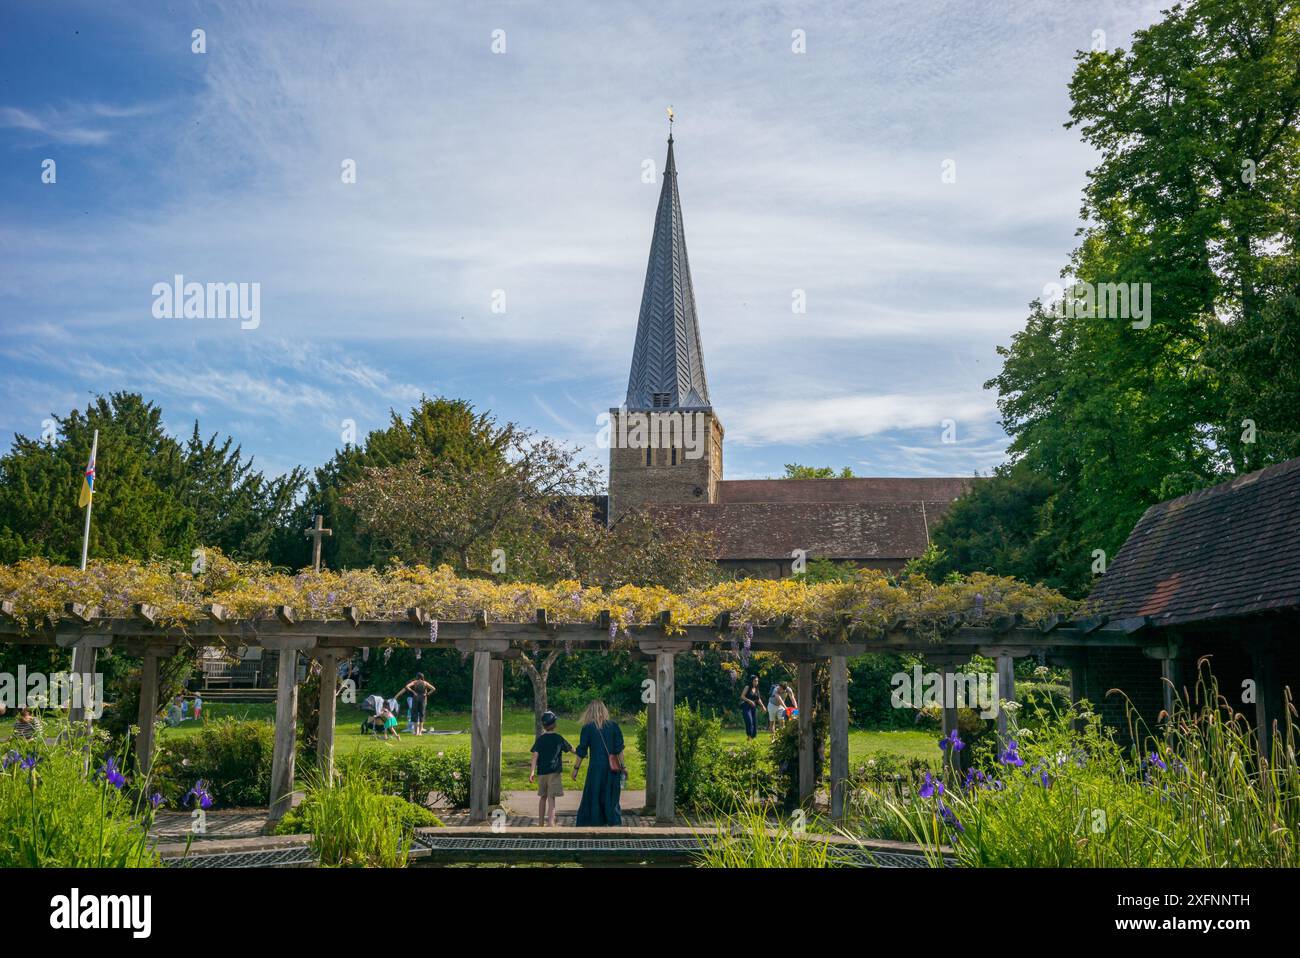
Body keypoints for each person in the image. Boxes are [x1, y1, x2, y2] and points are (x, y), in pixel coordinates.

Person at [573, 700, 625, 826]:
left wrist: (576, 768)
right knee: (611, 795)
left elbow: (582, 750)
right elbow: (619, 749)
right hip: (612, 768)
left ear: (590, 712)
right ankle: (613, 822)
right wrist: (623, 766)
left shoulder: (588, 728)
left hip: (595, 767)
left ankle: (595, 821)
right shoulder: (614, 726)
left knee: (594, 794)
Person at [528, 710, 573, 827]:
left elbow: (534, 757)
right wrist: (579, 752)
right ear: (554, 724)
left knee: (543, 797)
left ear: (544, 725)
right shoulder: (558, 738)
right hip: (554, 772)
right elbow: (571, 748)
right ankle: (551, 824)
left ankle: (541, 823)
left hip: (542, 773)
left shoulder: (540, 739)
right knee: (551, 799)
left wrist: (532, 772)